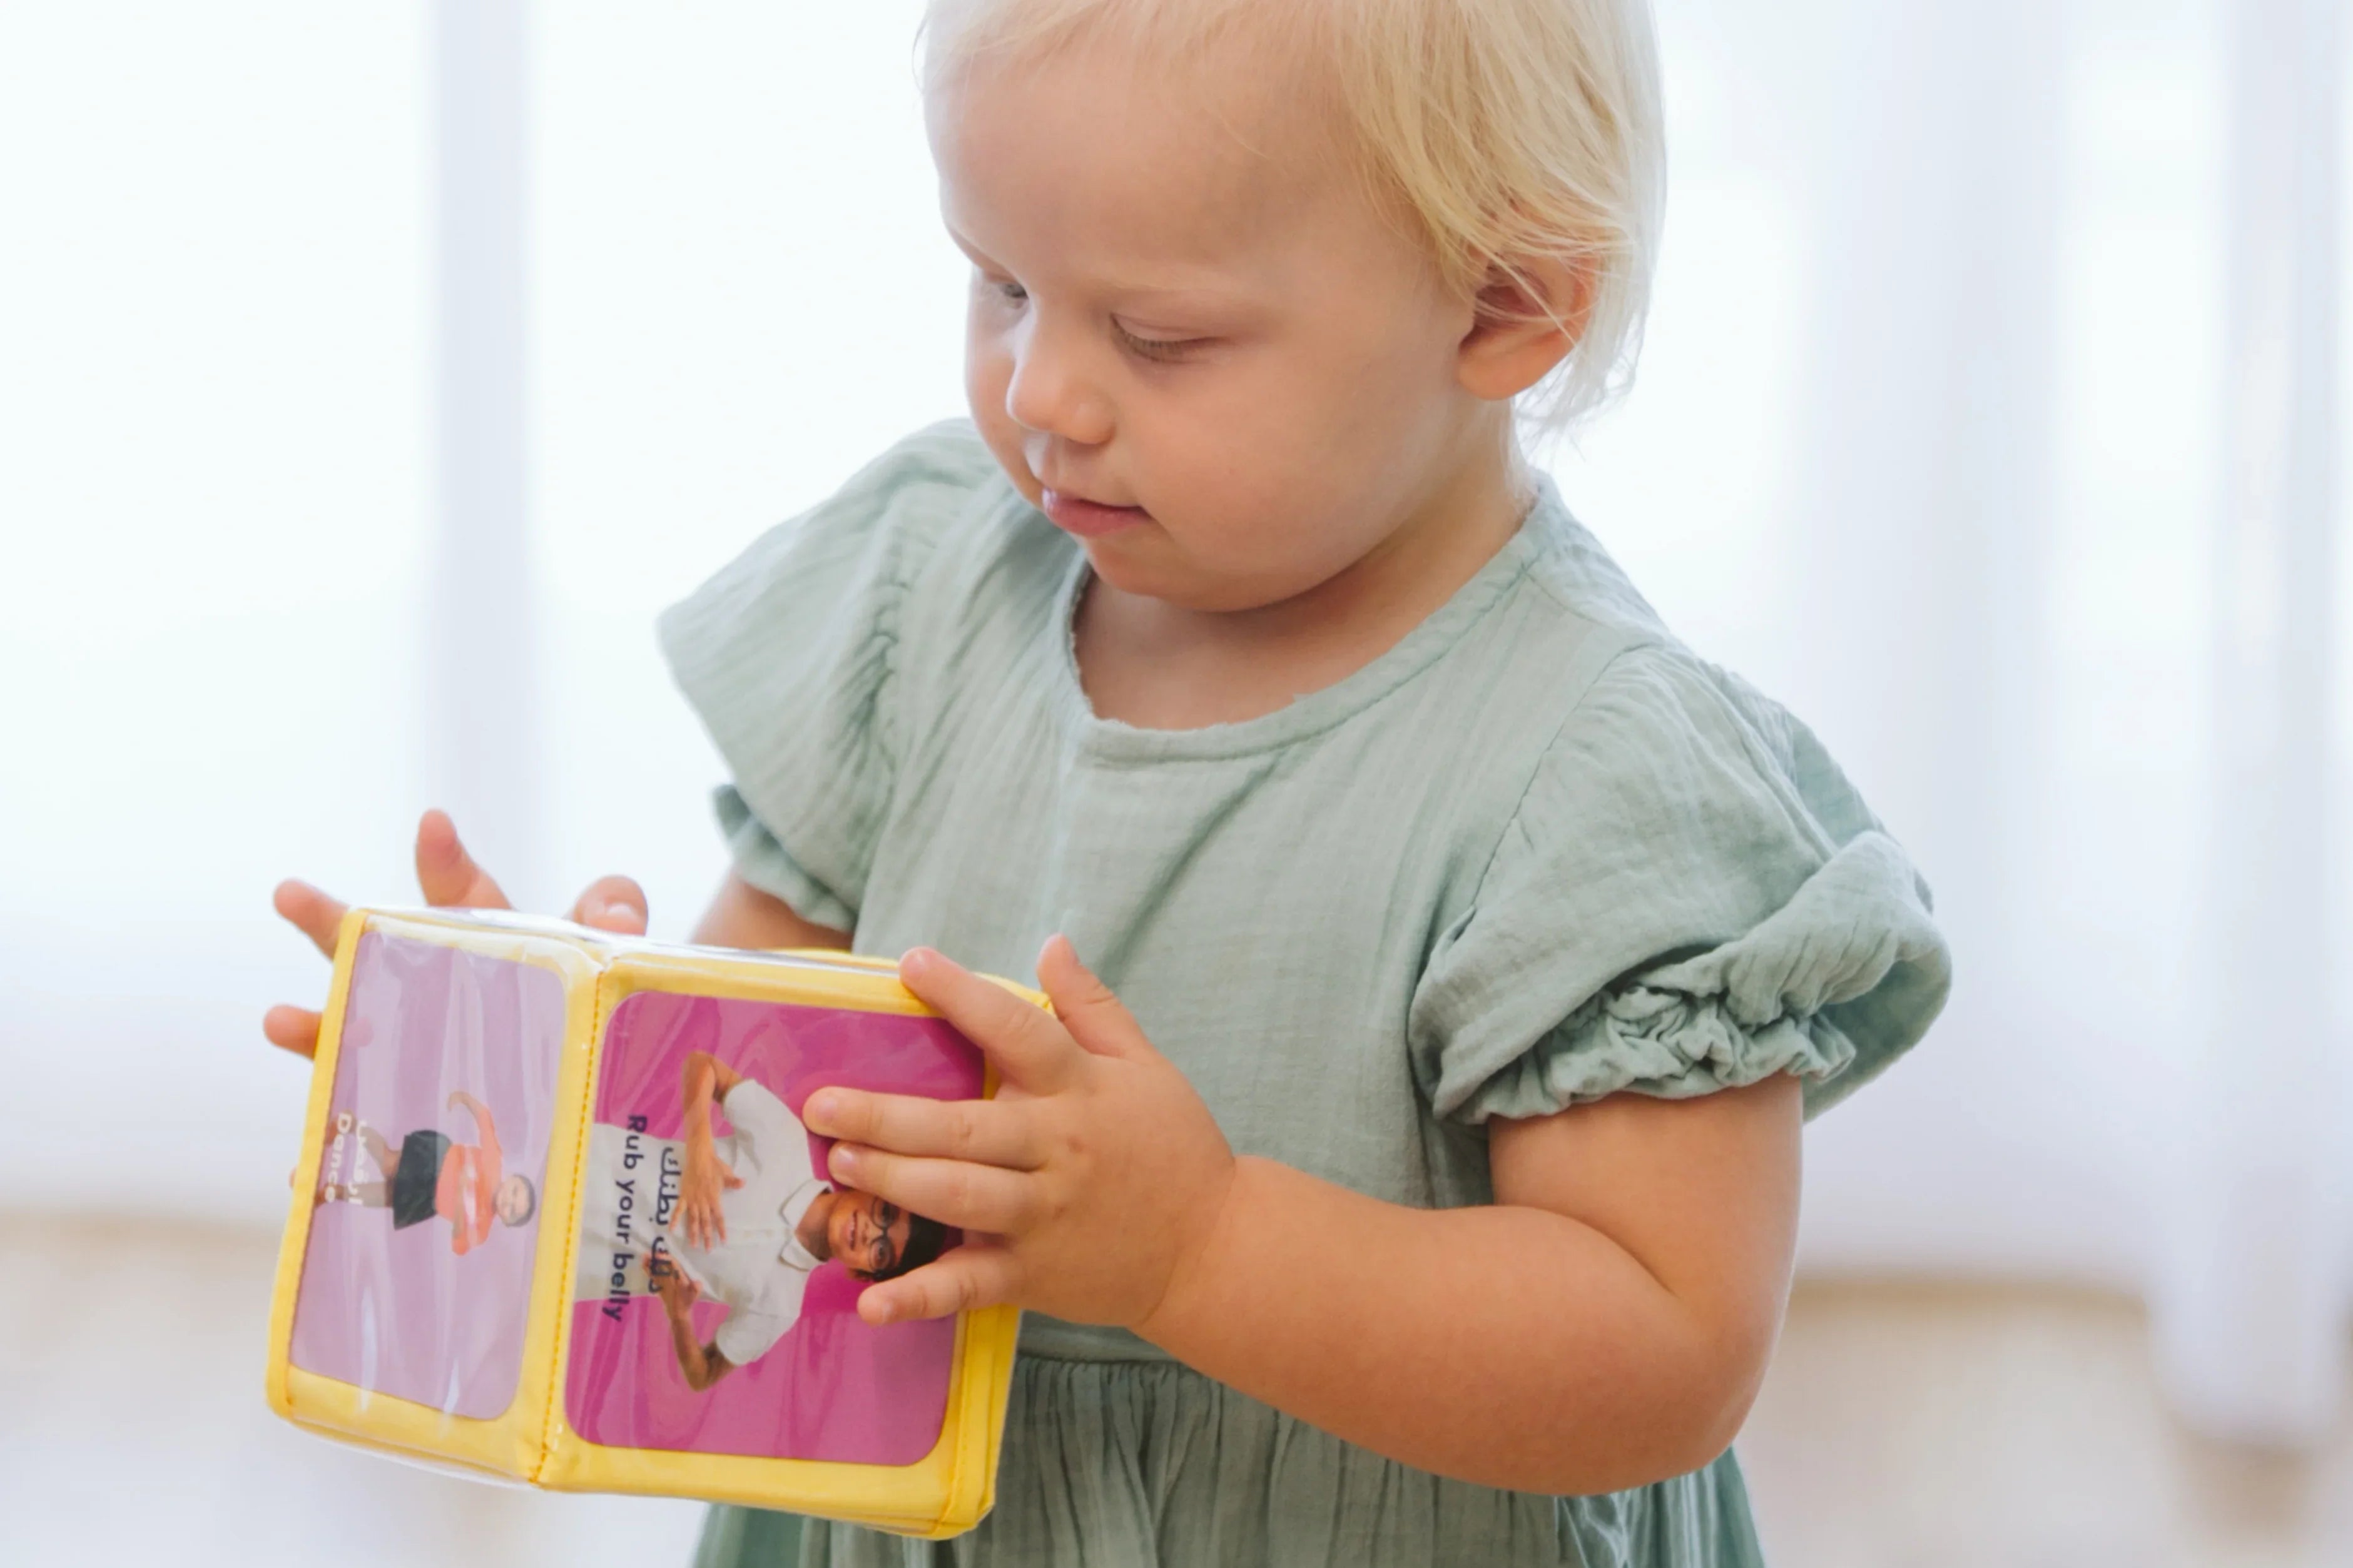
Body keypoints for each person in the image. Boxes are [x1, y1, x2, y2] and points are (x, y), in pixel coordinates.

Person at [263, 1, 1954, 1561]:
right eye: (1001, 285)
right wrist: (570, 1071)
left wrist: (1201, 1247)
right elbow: (756, 1061)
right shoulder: (931, 587)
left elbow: (1662, 1348)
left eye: (1159, 334)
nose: (1041, 393)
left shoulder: (1596, 768)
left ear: (1508, 303)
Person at [572, 1048, 949, 1391]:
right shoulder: (785, 1141)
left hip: (579, 1261)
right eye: (884, 1213)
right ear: (869, 1186)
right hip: (587, 1160)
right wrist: (700, 1151)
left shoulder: (780, 1306)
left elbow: (703, 1374)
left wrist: (679, 1314)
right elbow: (702, 1066)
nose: (871, 1232)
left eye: (881, 1252)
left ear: (862, 1274)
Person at [319, 1090, 536, 1256]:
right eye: (515, 1192)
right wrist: (464, 1098)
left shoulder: (483, 1227)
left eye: (512, 1211)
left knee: (388, 1196)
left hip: (430, 1199)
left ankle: (337, 1192)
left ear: (506, 1222)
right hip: (436, 1160)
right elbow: (484, 1119)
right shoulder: (494, 1163)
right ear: (512, 1179)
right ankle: (351, 1125)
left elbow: (458, 1244)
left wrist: (460, 1206)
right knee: (389, 1165)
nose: (508, 1201)